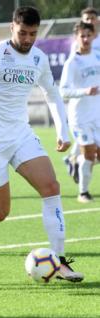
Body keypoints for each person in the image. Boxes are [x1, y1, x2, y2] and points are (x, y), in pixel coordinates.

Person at [0, 6, 84, 282]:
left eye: (33, 34)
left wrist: (63, 130)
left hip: (20, 135)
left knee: (51, 187)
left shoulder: (38, 58)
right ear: (12, 27)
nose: (27, 39)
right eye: (22, 33)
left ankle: (59, 262)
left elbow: (52, 94)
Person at [60, 21, 100, 203]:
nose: (85, 39)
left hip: (97, 115)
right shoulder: (72, 63)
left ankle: (74, 161)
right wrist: (84, 91)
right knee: (90, 154)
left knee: (92, 156)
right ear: (76, 38)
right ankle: (83, 192)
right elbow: (63, 91)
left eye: (88, 35)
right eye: (81, 36)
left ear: (93, 36)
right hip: (80, 118)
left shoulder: (98, 56)